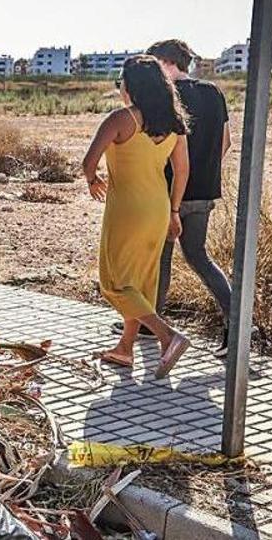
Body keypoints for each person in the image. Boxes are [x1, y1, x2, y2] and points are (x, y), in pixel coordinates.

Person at [113, 39, 235, 353]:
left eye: (153, 64)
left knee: (158, 259)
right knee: (198, 256)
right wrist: (202, 176)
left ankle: (150, 325)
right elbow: (226, 143)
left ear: (166, 63)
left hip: (169, 196)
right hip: (204, 193)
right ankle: (237, 323)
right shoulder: (213, 92)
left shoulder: (164, 97)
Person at [81, 55, 192, 378]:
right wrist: (174, 210)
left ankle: (167, 337)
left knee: (114, 282)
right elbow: (182, 170)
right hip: (159, 207)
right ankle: (125, 349)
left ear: (130, 86)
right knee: (141, 282)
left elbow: (89, 161)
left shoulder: (120, 119)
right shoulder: (174, 123)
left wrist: (93, 180)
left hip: (127, 209)